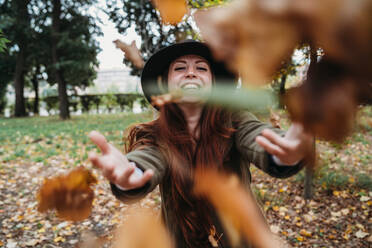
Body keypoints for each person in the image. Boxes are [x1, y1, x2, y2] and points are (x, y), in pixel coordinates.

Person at [88, 40, 313, 248]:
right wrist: (132, 175)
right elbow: (147, 157)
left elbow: (258, 137)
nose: (191, 73)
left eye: (201, 68)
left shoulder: (236, 119)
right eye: (180, 68)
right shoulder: (155, 134)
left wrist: (282, 152)